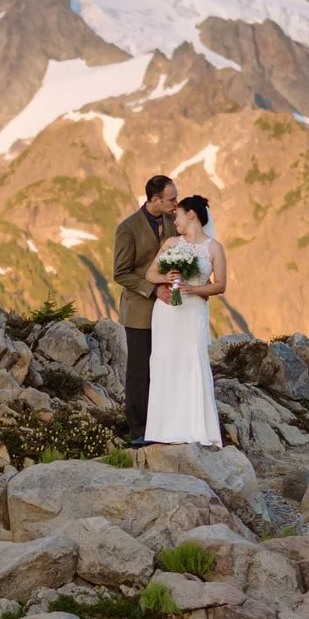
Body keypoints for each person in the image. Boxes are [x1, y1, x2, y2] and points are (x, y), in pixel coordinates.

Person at [141, 195, 228, 446]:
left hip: (193, 312)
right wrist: (167, 276)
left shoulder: (214, 249)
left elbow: (220, 285)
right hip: (167, 311)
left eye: (177, 215)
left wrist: (195, 289)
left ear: (191, 215)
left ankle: (196, 429)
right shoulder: (171, 243)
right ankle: (162, 429)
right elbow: (150, 273)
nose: (174, 220)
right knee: (165, 360)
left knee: (192, 360)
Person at [110, 175, 182, 445]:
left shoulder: (172, 223)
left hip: (168, 310)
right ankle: (138, 431)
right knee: (140, 370)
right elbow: (121, 273)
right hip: (139, 310)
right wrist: (153, 289)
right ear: (155, 200)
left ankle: (162, 424)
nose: (176, 202)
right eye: (171, 199)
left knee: (163, 366)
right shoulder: (127, 228)